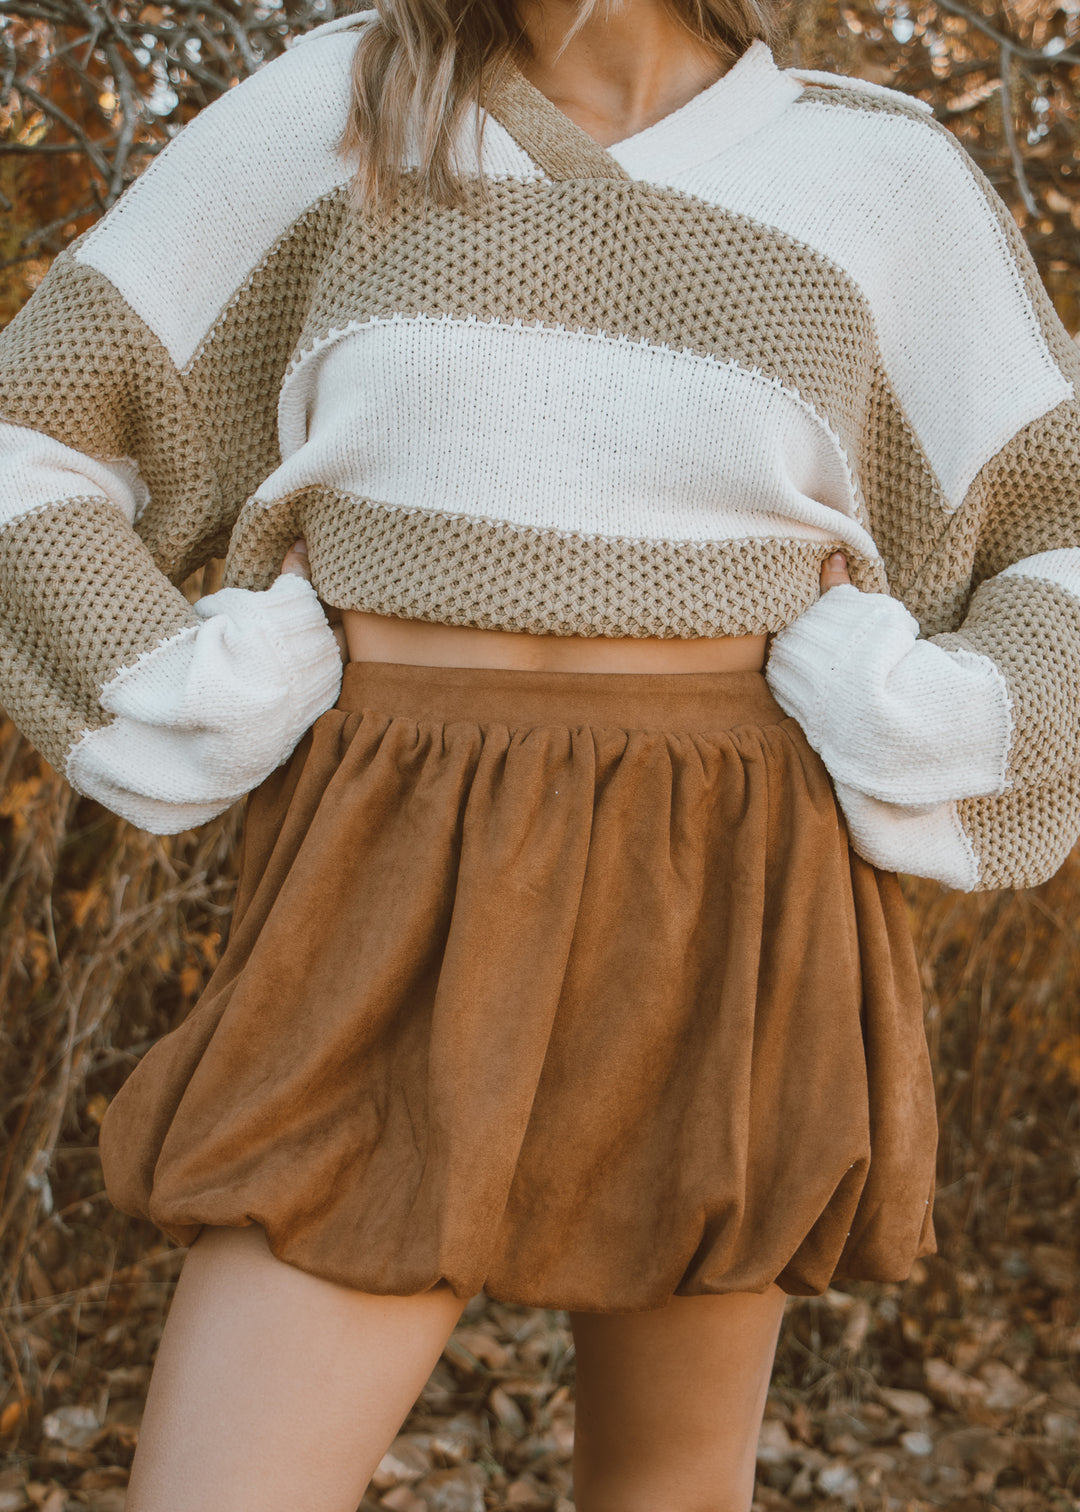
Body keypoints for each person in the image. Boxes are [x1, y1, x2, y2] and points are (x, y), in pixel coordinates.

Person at [1, 0, 1079, 1505]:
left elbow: (1057, 519)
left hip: (735, 880)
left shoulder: (874, 168)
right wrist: (181, 681)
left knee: (667, 1496)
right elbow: (30, 431)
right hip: (388, 871)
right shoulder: (348, 107)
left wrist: (926, 708)